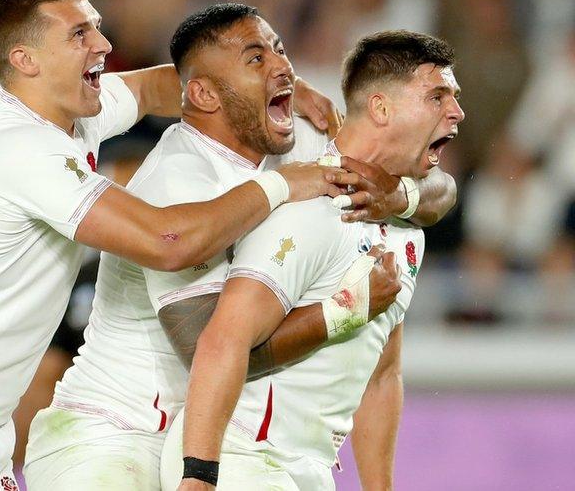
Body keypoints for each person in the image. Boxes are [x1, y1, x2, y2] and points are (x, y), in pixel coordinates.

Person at [0, 0, 364, 491]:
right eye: (80, 33)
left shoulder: (74, 114)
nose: (103, 44)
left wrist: (279, 84)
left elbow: (159, 88)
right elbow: (166, 241)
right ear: (24, 59)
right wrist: (283, 185)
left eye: (97, 26)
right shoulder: (19, 145)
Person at [23, 4, 455, 490]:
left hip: (194, 438)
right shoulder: (180, 179)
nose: (282, 66)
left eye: (281, 50)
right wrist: (345, 311)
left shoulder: (292, 145)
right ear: (206, 95)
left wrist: (398, 196)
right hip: (110, 436)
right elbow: (210, 345)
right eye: (255, 58)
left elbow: (428, 180)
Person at [165, 29, 464, 490]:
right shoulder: (310, 206)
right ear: (381, 108)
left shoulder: (407, 228)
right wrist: (199, 476)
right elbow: (223, 338)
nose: (456, 112)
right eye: (437, 95)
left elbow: (380, 377)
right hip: (243, 457)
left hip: (307, 469)